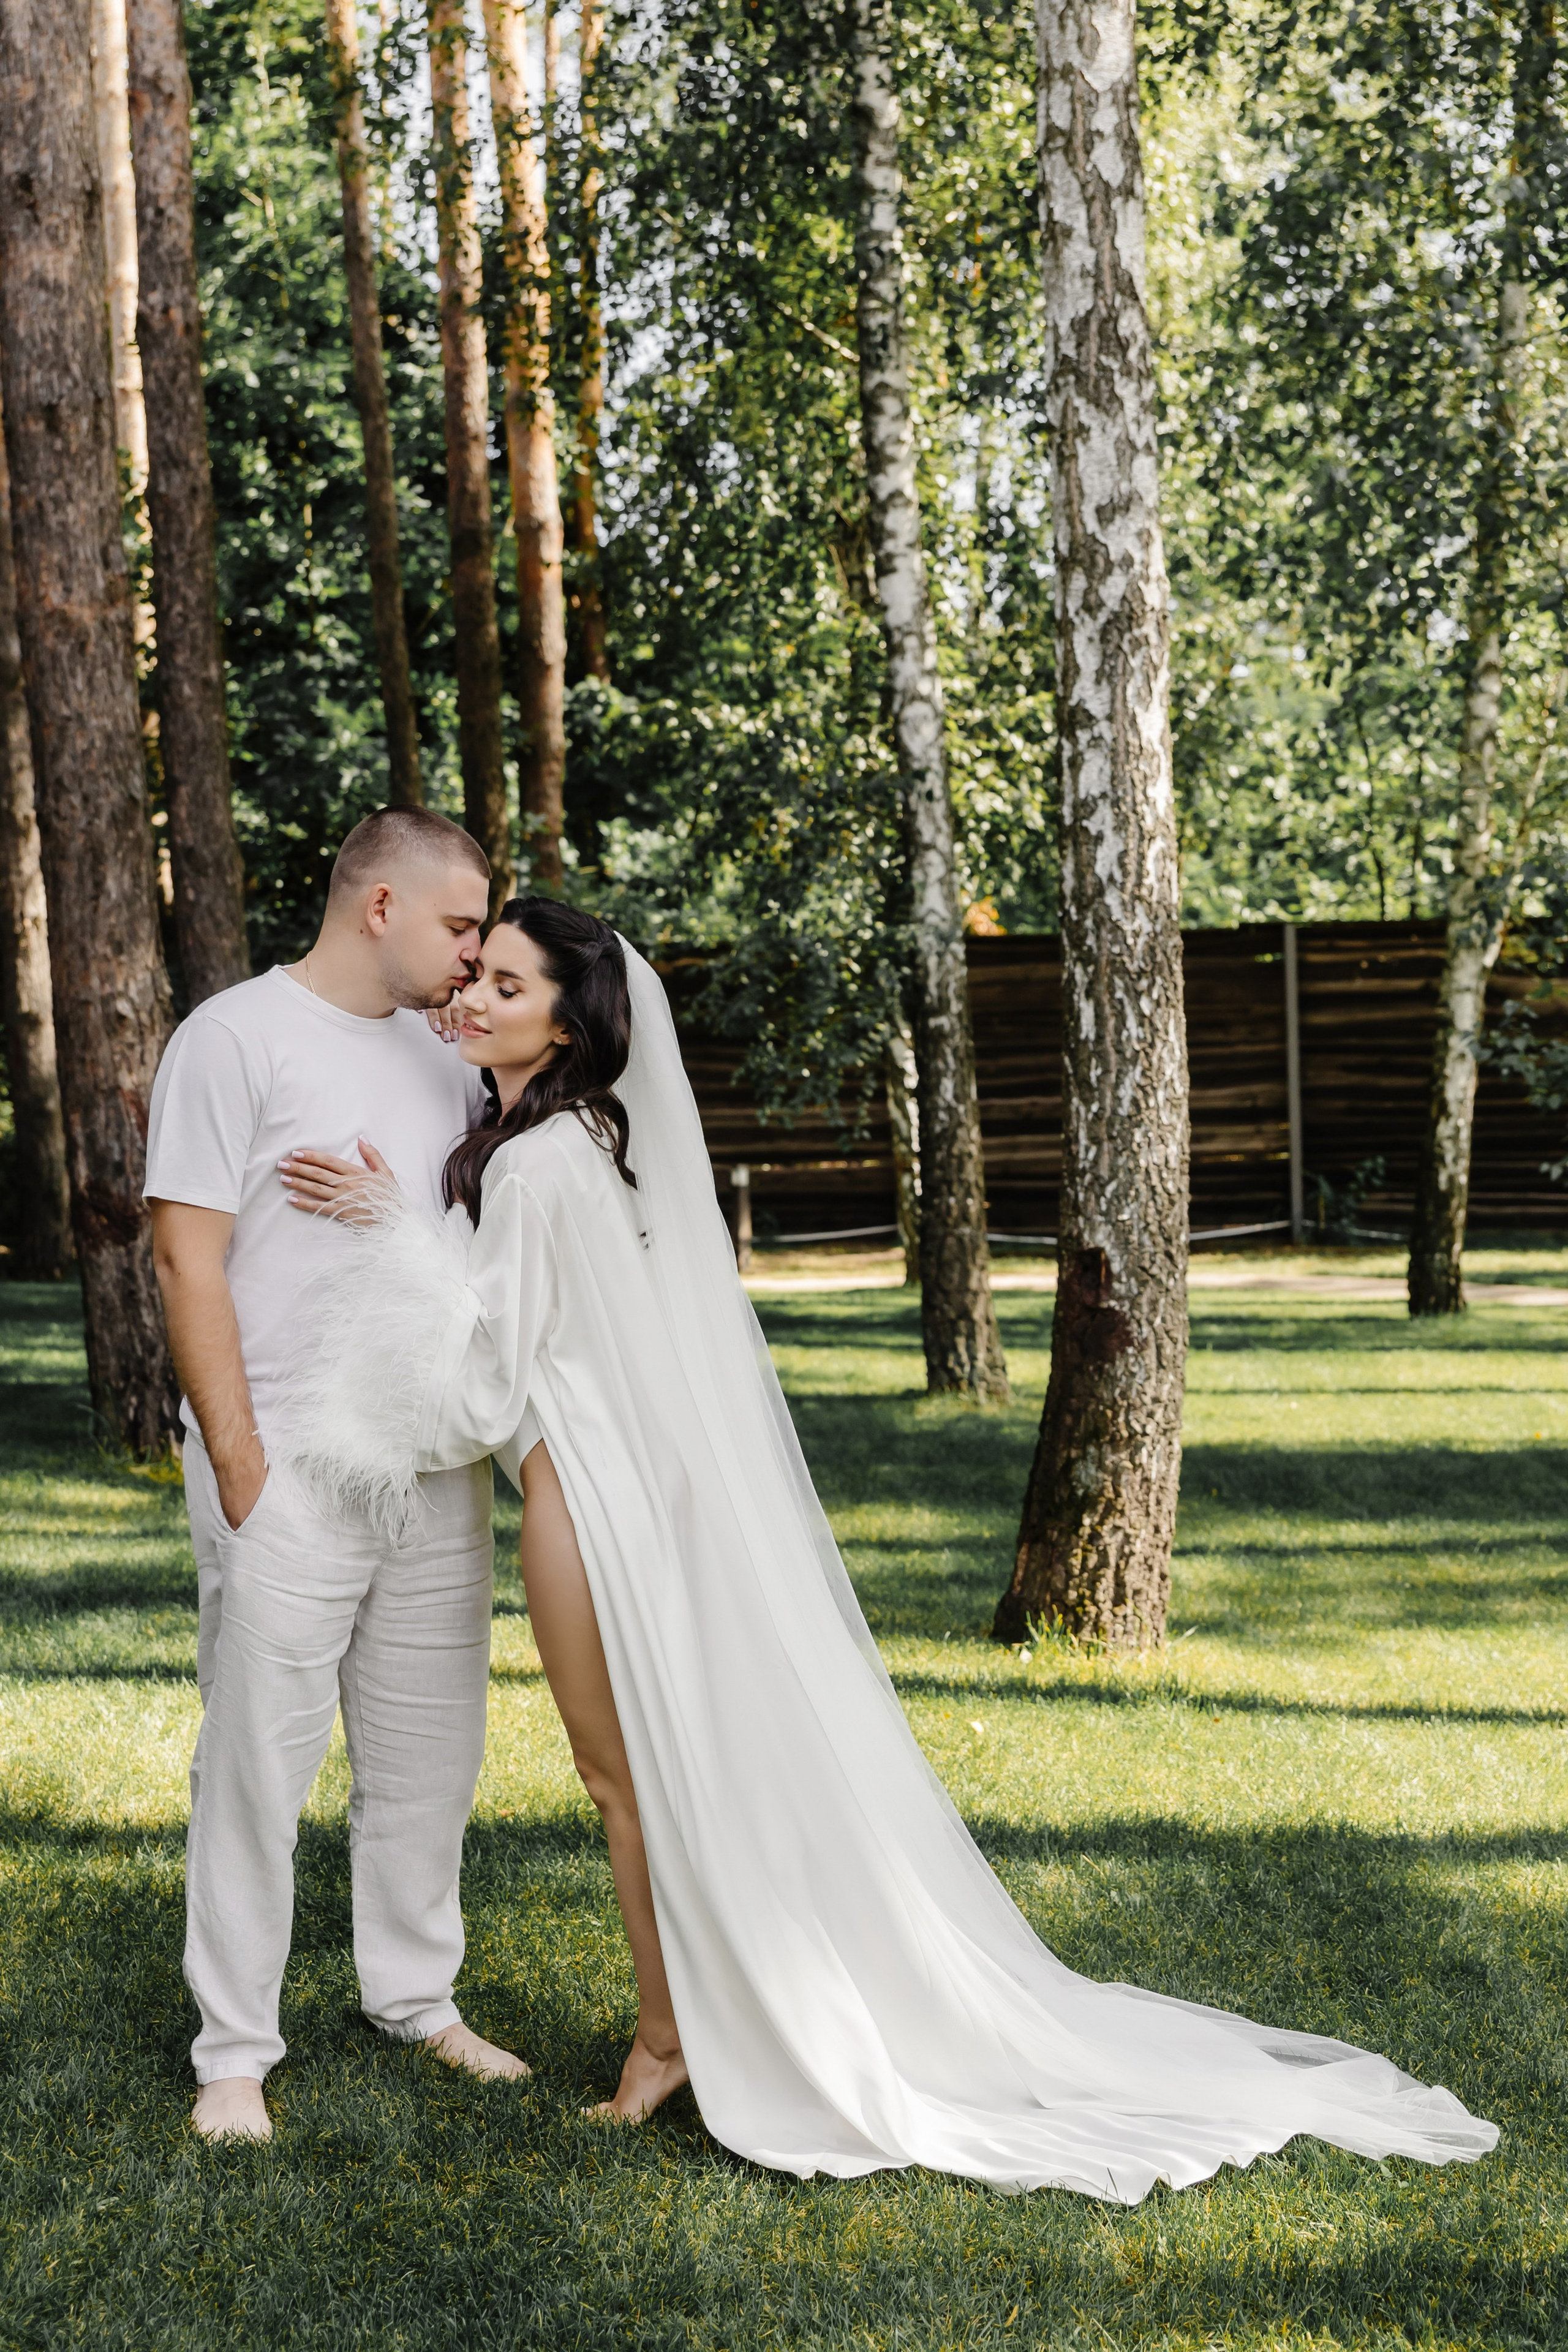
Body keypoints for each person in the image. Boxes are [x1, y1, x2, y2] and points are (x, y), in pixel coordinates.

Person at [273, 897, 1499, 2198]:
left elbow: (478, 1387)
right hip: (641, 1483)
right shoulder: (585, 1139)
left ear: (569, 1023)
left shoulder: (532, 1161)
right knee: (664, 1771)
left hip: (590, 1494)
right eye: (478, 979)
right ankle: (697, 2010)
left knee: (619, 1778)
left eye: (505, 989)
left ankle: (668, 2037)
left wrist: (385, 1227)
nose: (469, 1000)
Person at [145, 807, 529, 2145]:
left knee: (431, 1752)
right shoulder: (233, 1037)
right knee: (259, 1758)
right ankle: (234, 2051)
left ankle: (415, 1997)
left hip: (431, 1461)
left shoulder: (455, 1057)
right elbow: (185, 1256)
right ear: (380, 908)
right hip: (288, 1460)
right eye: (461, 925)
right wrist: (238, 1456)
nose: (476, 955)